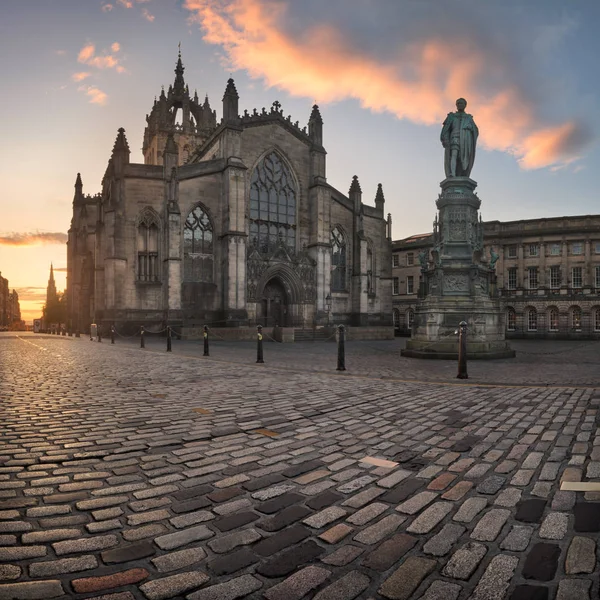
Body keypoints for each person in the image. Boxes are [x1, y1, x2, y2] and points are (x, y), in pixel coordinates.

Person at [441, 98, 479, 178]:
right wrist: (445, 138)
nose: (459, 105)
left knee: (462, 159)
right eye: (458, 103)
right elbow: (445, 129)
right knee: (454, 155)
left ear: (465, 105)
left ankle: (460, 174)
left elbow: (475, 130)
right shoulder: (452, 116)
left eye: (461, 103)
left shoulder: (468, 118)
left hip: (465, 141)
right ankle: (452, 173)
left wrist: (470, 128)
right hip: (454, 138)